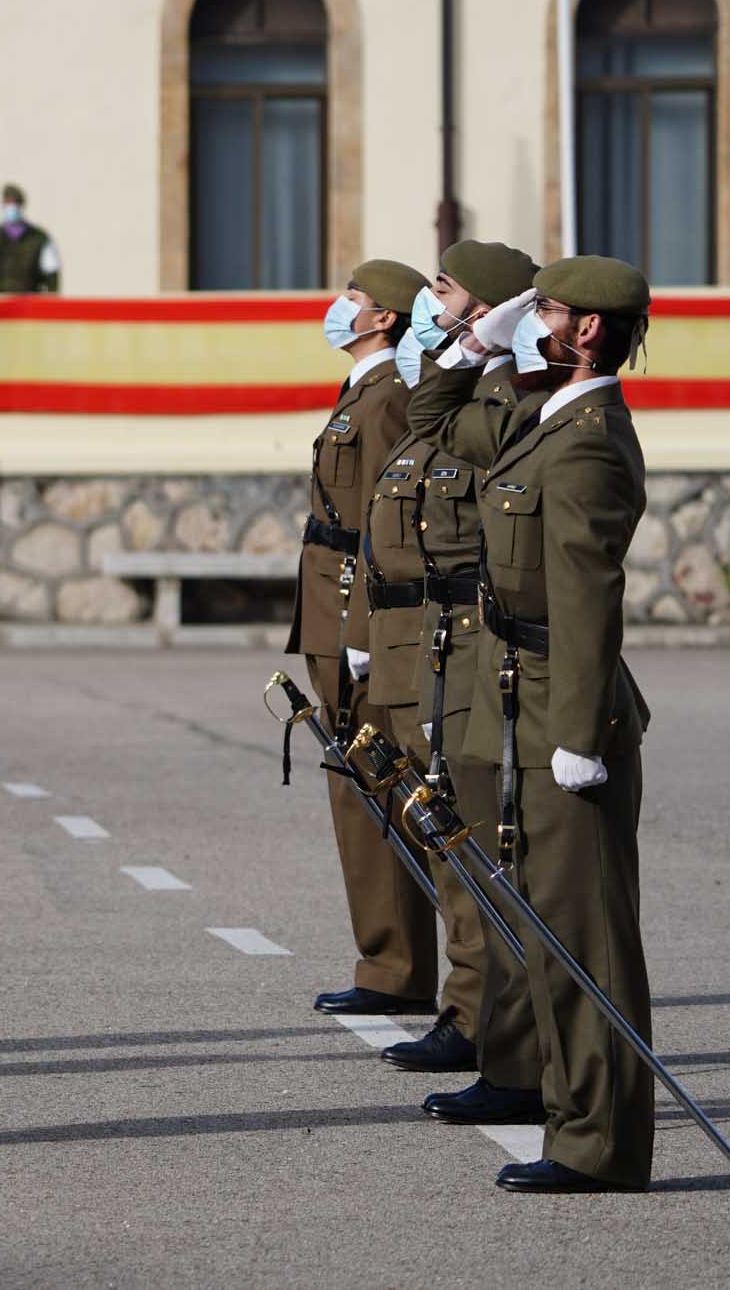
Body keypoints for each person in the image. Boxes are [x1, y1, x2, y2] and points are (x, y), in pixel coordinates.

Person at [407, 257, 654, 1195]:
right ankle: (564, 1109)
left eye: (543, 308)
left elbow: (588, 602)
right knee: (538, 924)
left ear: (586, 329)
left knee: (583, 936)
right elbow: (430, 417)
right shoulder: (544, 417)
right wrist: (475, 342)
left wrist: (583, 737)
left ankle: (600, 1143)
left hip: (561, 710)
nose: (529, 321)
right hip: (517, 696)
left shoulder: (588, 439)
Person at [347, 240, 537, 1079]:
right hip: (416, 637)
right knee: (437, 831)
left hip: (457, 636)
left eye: (447, 289)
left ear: (487, 307)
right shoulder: (450, 390)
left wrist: (473, 353)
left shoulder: (503, 399)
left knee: (462, 838)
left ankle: (474, 1014)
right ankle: (467, 1008)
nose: (433, 299)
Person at [286, 259, 437, 1019]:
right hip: (331, 604)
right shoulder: (365, 392)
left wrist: (366, 628)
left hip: (356, 608)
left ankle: (398, 965)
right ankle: (387, 960)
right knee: (358, 786)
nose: (337, 306)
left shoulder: (385, 401)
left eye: (352, 296)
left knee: (378, 783)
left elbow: (389, 527)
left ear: (383, 318)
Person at [0, 184, 60, 293]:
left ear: (21, 205)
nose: (12, 208)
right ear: (3, 205)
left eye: (15, 203)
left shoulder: (40, 239)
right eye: (8, 203)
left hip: (28, 302)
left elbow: (52, 276)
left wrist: (49, 303)